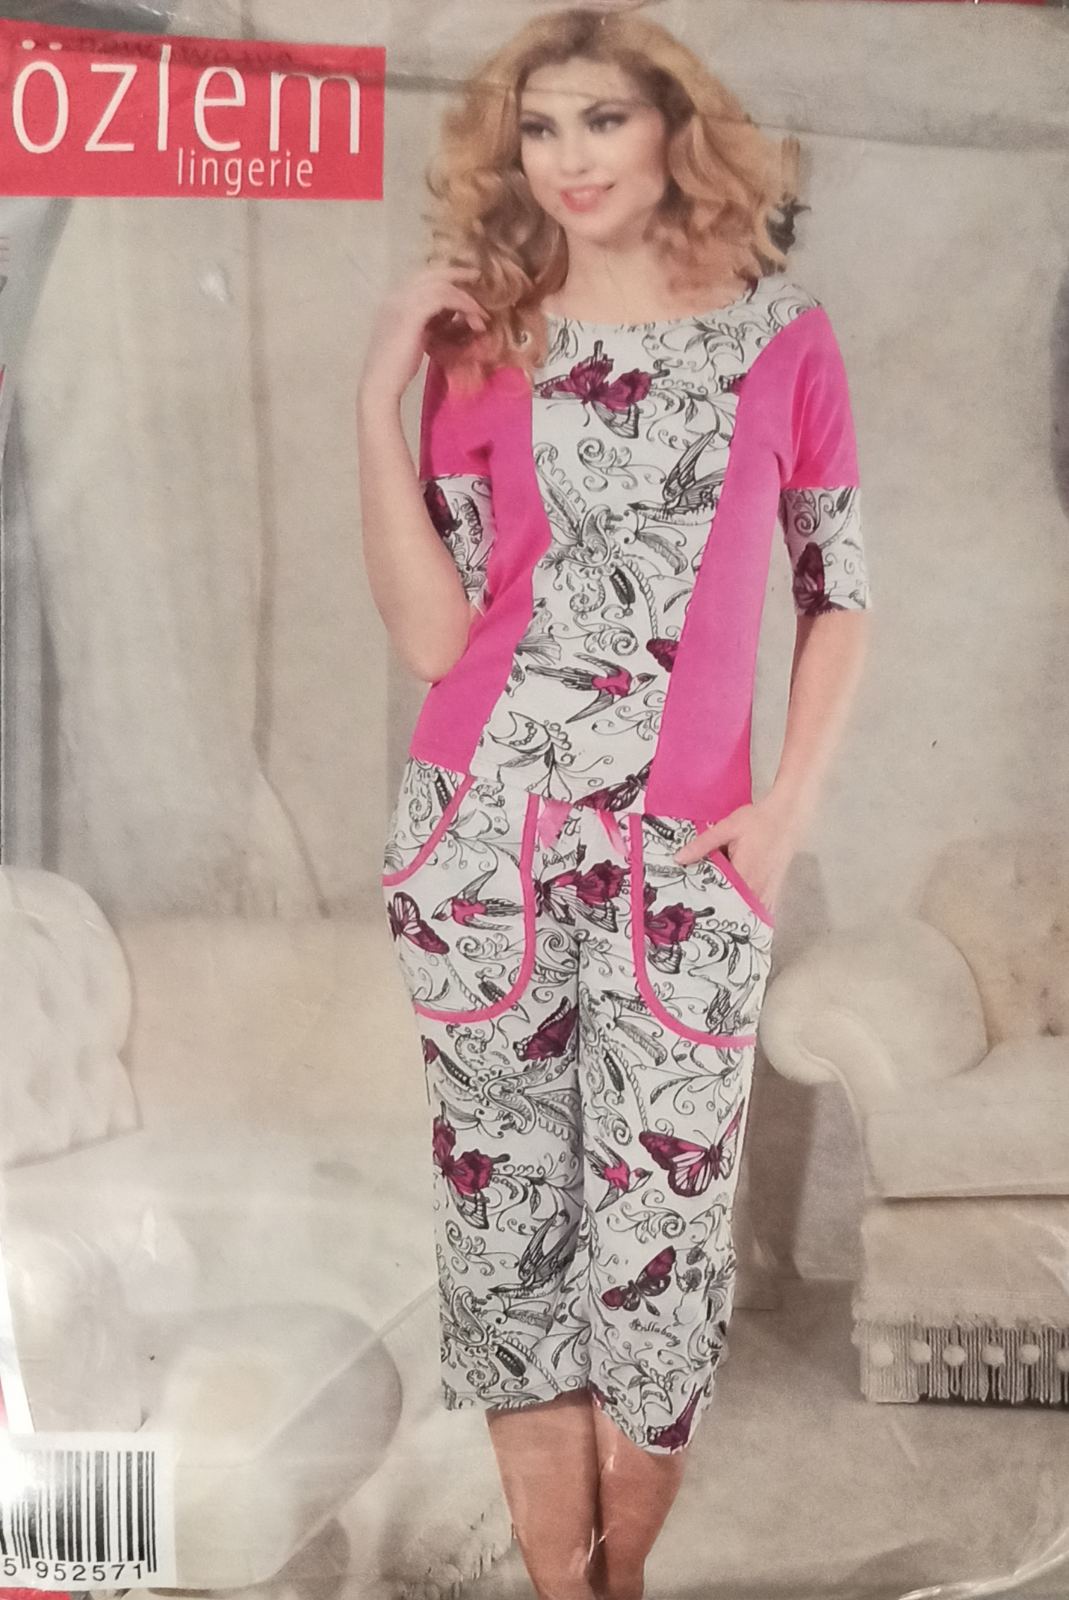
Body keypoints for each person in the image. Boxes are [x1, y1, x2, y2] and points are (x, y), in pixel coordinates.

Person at [358, 9, 871, 1598]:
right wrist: (378, 395)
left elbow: (838, 596)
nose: (567, 159)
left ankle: (614, 1587)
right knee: (511, 1265)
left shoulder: (784, 339)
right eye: (539, 128)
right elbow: (436, 637)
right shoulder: (480, 347)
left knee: (657, 1275)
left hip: (685, 869)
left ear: (671, 132)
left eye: (601, 120)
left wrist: (780, 814)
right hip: (478, 852)